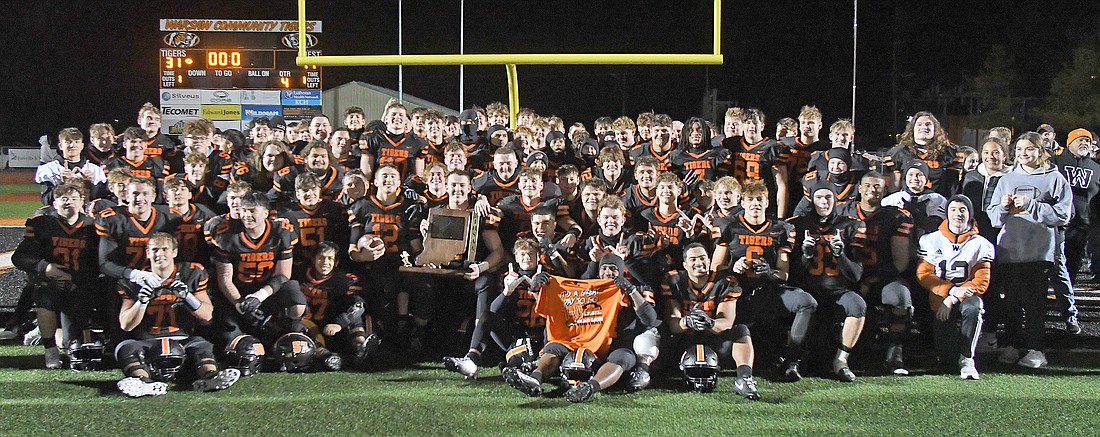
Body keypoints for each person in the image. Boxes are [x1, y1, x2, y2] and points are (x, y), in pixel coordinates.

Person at [502, 254, 658, 403]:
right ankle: (534, 379)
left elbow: (649, 319)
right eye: (604, 268)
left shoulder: (633, 288)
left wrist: (630, 290)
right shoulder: (586, 288)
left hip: (612, 346)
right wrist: (536, 289)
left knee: (623, 357)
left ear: (622, 271)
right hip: (578, 343)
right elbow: (554, 308)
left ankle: (589, 388)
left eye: (613, 269)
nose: (608, 272)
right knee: (554, 347)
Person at [710, 181, 817, 381]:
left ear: (767, 202)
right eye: (751, 200)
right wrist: (733, 267)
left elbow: (783, 275)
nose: (755, 204)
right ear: (743, 201)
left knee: (807, 302)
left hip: (766, 292)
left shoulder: (780, 229)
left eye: (760, 200)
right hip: (736, 295)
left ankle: (792, 361)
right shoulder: (729, 226)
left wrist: (769, 272)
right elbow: (715, 267)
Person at [114, 232, 239, 397]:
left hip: (183, 340)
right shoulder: (134, 281)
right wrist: (141, 301)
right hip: (146, 341)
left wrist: (188, 297)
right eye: (155, 249)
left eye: (165, 249)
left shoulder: (192, 273)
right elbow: (126, 324)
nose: (159, 254)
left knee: (201, 346)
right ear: (147, 253)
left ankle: (210, 377)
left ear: (174, 252)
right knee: (125, 347)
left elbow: (207, 316)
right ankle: (143, 382)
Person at [987, 132, 1072, 369]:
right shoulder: (1006, 178)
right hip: (1010, 251)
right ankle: (1014, 345)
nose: (1024, 154)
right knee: (1011, 302)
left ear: (1040, 151)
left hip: (1038, 251)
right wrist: (1002, 208)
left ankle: (1037, 349)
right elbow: (994, 218)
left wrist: (1032, 205)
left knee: (1034, 303)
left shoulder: (1054, 178)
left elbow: (1063, 215)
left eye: (1029, 149)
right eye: (1020, 150)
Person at [12, 183, 101, 368]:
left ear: (82, 202)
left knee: (71, 341)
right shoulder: (43, 224)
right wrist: (46, 268)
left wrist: (77, 281)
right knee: (45, 297)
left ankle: (48, 333)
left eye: (74, 199)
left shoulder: (93, 227)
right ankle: (49, 348)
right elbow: (20, 257)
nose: (69, 203)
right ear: (54, 203)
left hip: (79, 285)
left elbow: (97, 262)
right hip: (52, 284)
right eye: (64, 199)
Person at [787, 183, 867, 381]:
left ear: (836, 199)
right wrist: (805, 257)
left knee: (858, 305)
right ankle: (792, 360)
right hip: (806, 290)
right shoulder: (797, 224)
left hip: (838, 289)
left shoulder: (851, 225)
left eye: (828, 197)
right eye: (819, 197)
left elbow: (856, 274)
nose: (824, 202)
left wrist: (841, 256)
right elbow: (791, 274)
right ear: (811, 200)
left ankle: (841, 360)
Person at [838, 171, 916, 375]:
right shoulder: (842, 212)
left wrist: (871, 280)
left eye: (878, 187)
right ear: (860, 189)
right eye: (868, 186)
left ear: (885, 190)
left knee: (900, 296)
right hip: (848, 276)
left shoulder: (896, 216)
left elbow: (900, 262)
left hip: (882, 276)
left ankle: (895, 351)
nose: (872, 190)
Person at [208, 192, 308, 348]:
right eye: (244, 210)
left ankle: (289, 330)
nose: (247, 215)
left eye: (252, 210)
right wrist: (240, 304)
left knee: (294, 294)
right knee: (229, 330)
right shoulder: (227, 235)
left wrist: (259, 296)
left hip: (269, 290)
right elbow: (225, 278)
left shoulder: (281, 232)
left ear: (266, 213)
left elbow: (283, 275)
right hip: (238, 292)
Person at [661, 243, 760, 400]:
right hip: (684, 340)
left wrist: (710, 323)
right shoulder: (673, 280)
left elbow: (727, 321)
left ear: (709, 260)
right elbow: (673, 322)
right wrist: (687, 322)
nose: (699, 263)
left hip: (714, 339)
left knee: (741, 330)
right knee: (658, 332)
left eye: (702, 258)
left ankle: (745, 378)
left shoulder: (726, 281)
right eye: (693, 259)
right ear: (685, 265)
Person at [916, 196, 993, 379]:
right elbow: (924, 275)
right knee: (946, 361)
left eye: (962, 210)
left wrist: (954, 297)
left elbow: (981, 281)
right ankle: (948, 355)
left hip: (966, 296)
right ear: (947, 213)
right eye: (953, 210)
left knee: (975, 306)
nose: (957, 214)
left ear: (969, 214)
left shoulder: (980, 244)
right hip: (939, 297)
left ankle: (967, 358)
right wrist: (949, 291)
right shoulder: (931, 240)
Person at [1049, 128, 1098, 334]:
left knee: (1072, 266)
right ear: (1070, 143)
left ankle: (1066, 308)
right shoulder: (1056, 163)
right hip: (1056, 224)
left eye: (1087, 141)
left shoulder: (1096, 168)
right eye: (1080, 140)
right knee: (1051, 266)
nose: (1084, 143)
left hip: (1081, 225)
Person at [722, 109, 791, 218]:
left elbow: (782, 185)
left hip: (761, 206)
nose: (751, 126)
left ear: (762, 126)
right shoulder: (731, 144)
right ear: (743, 125)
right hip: (735, 206)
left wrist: (781, 217)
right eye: (748, 122)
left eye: (755, 123)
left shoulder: (773, 148)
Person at [883, 111, 963, 196]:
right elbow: (894, 188)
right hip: (908, 203)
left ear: (935, 129)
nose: (924, 127)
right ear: (912, 128)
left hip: (938, 203)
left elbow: (952, 187)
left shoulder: (949, 151)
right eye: (919, 124)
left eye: (928, 124)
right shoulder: (899, 152)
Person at [35, 127, 106, 205]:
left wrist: (89, 184)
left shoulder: (95, 169)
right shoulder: (49, 169)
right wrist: (62, 184)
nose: (72, 145)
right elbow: (46, 201)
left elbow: (100, 200)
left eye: (76, 141)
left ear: (82, 146)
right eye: (68, 142)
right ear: (60, 146)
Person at [272, 140, 346, 204]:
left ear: (329, 159)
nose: (319, 159)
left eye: (323, 156)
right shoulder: (289, 175)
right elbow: (272, 200)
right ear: (305, 158)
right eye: (315, 156)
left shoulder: (341, 177)